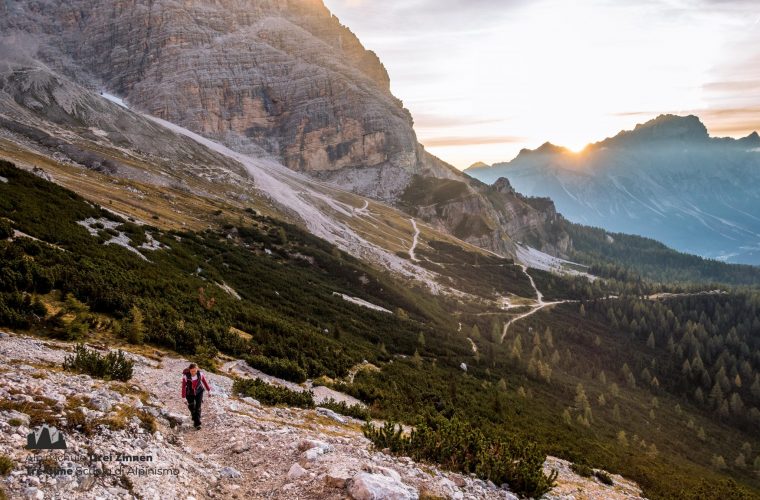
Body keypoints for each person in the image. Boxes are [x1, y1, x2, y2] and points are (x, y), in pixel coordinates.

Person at [181, 363, 211, 429]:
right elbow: (183, 387)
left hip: (199, 391)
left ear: (197, 369)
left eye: (195, 371)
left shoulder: (200, 374)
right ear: (189, 370)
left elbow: (204, 382)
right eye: (192, 371)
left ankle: (197, 424)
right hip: (189, 393)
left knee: (198, 407)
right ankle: (195, 418)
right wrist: (183, 397)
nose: (193, 372)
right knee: (191, 407)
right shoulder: (186, 376)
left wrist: (209, 390)